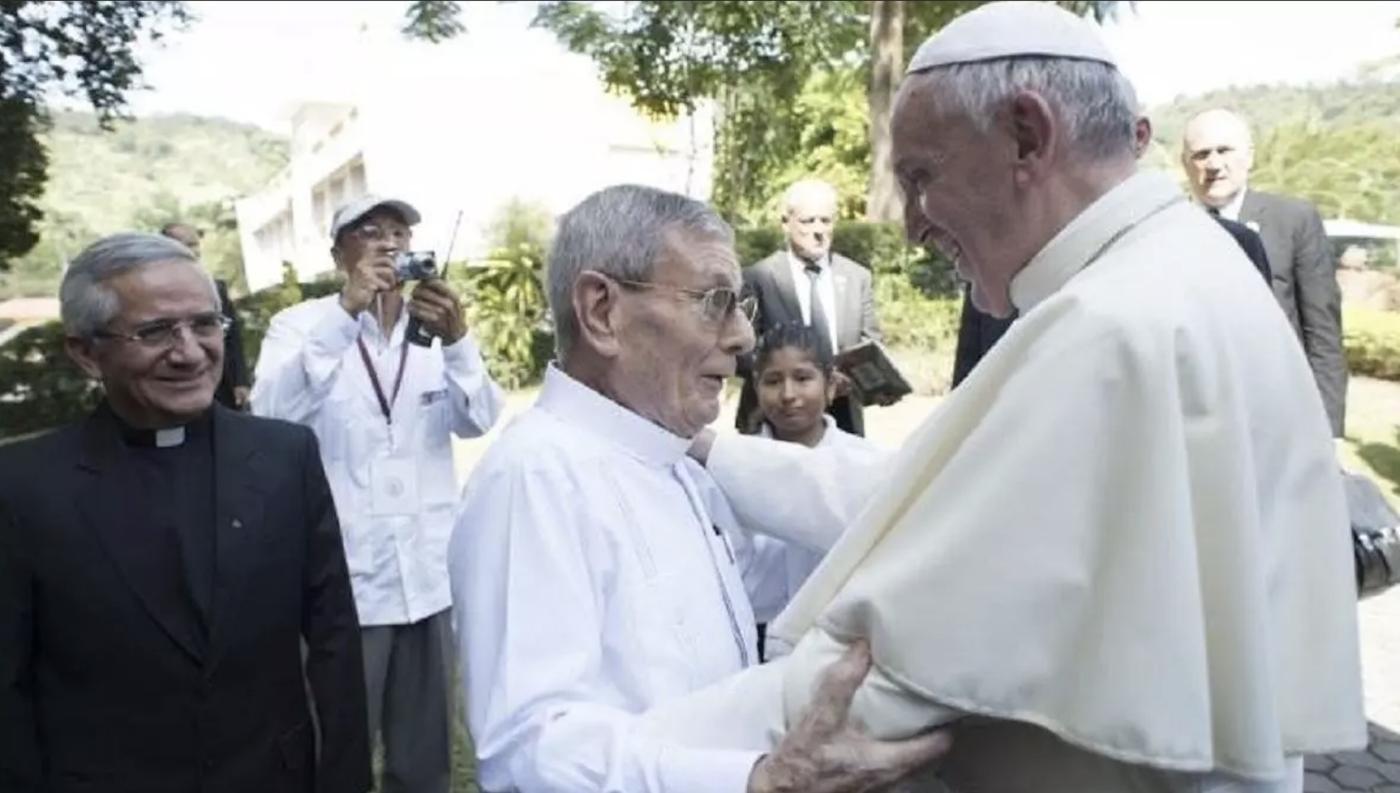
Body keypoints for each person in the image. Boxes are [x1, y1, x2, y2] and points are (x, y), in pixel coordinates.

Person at [642, 4, 1367, 791]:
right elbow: (930, 502)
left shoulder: (1114, 328)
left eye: (922, 177)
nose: (915, 225)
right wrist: (706, 446)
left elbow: (885, 669)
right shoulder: (1175, 269)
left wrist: (628, 756)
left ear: (1027, 135)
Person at [448, 184, 949, 793]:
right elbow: (532, 748)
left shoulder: (677, 463)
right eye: (714, 301)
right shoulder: (534, 477)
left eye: (741, 307)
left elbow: (766, 593)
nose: (741, 338)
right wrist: (756, 781)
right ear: (602, 312)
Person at [0, 233, 369, 793]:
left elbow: (335, 643)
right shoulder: (23, 487)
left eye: (204, 324)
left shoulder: (285, 458)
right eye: (154, 332)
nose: (191, 352)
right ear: (85, 352)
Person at [251, 196, 504, 793]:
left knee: (426, 761)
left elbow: (479, 418)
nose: (389, 245)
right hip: (347, 580)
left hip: (427, 576)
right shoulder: (302, 326)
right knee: (335, 751)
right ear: (340, 251)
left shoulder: (432, 336)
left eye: (400, 233)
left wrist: (460, 341)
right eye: (371, 233)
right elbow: (270, 414)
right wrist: (346, 313)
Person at [951, 115, 1272, 388]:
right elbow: (966, 409)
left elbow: (1260, 389)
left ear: (1139, 138)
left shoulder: (1226, 246)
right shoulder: (992, 263)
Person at [1181, 107, 1347, 436]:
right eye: (1200, 154)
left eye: (1224, 150)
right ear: (1186, 164)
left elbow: (1322, 331)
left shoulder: (1293, 220)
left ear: (1249, 156)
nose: (1213, 164)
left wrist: (1329, 431)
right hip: (1196, 416)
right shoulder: (1169, 227)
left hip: (1279, 411)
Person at [742, 322, 881, 659]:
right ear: (756, 387)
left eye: (803, 378)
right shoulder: (736, 466)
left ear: (831, 385)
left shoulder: (866, 464)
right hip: (756, 634)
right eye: (773, 381)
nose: (788, 394)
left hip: (839, 637)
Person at [736, 179, 884, 436]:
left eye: (826, 221)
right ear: (786, 222)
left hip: (842, 420)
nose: (819, 230)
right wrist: (798, 377)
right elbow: (741, 349)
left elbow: (871, 344)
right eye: (808, 221)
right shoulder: (757, 279)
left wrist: (870, 381)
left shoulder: (856, 277)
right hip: (773, 422)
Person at [160, 221, 252, 411]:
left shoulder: (216, 288)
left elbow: (233, 338)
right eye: (186, 245)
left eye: (195, 244)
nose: (194, 251)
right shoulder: (152, 294)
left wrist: (240, 381)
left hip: (222, 384)